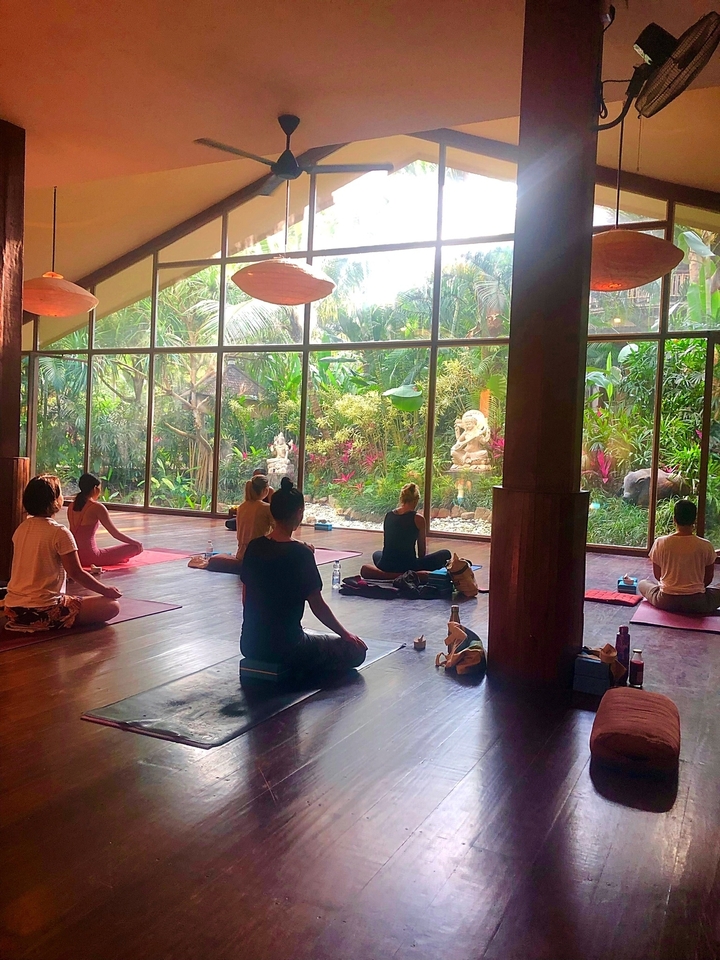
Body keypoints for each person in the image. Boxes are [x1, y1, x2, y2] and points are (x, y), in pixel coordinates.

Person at [240, 477, 367, 676]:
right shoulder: (301, 553)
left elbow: (246, 598)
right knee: (357, 652)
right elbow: (318, 606)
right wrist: (346, 635)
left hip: (250, 645)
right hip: (288, 648)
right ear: (299, 513)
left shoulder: (254, 546)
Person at [3, 475, 122, 633]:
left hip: (12, 608)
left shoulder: (21, 528)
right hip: (44, 609)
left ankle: (27, 620)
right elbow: (77, 573)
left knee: (77, 600)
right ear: (54, 500)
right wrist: (105, 590)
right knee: (111, 606)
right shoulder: (59, 532)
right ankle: (45, 622)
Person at [639, 499, 720, 614]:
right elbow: (707, 579)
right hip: (698, 604)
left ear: (674, 520)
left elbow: (658, 576)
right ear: (694, 521)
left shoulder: (660, 542)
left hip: (665, 600)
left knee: (642, 583)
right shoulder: (706, 545)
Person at [370, 482, 451, 576]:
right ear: (415, 500)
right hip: (408, 566)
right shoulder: (418, 519)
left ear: (402, 499)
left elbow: (389, 543)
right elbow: (421, 552)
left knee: (376, 554)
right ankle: (406, 574)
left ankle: (390, 574)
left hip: (386, 565)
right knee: (445, 554)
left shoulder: (389, 515)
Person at [68, 473, 143, 569]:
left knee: (112, 552)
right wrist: (136, 542)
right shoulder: (97, 507)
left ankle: (116, 558)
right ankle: (117, 558)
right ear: (95, 488)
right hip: (91, 557)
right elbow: (115, 533)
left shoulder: (71, 506)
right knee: (135, 548)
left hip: (74, 556)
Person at [208, 474, 274, 572]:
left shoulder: (242, 507)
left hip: (241, 554)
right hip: (259, 555)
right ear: (265, 490)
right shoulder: (266, 508)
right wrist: (272, 498)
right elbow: (278, 529)